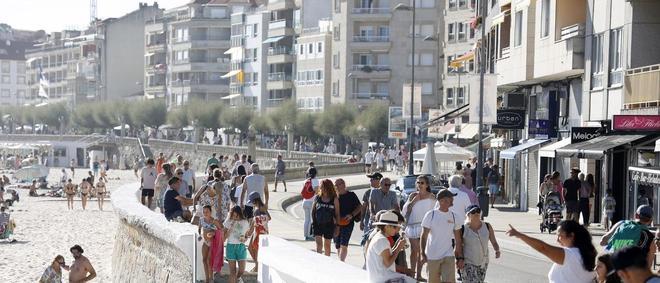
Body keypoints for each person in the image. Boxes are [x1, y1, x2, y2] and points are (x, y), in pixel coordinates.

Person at [506, 220, 596, 283]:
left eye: (560, 236)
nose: (557, 240)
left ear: (571, 236)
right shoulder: (589, 253)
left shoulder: (570, 255)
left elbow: (543, 248)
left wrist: (520, 235)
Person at [421, 189, 462, 283]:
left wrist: (459, 257)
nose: (452, 200)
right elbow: (424, 236)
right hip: (432, 255)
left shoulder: (455, 216)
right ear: (441, 200)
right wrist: (423, 253)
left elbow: (458, 239)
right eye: (450, 198)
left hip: (448, 254)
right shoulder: (430, 215)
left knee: (449, 281)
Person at [402, 175, 436, 281]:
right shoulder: (412, 195)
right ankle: (412, 273)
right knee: (415, 250)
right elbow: (405, 211)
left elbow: (435, 211)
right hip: (413, 227)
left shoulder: (431, 196)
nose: (420, 185)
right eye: (418, 183)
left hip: (425, 227)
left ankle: (419, 275)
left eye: (422, 183)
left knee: (422, 252)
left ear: (427, 185)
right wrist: (413, 202)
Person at [600, 205, 655, 269]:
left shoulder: (621, 224)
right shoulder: (650, 237)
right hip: (634, 273)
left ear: (636, 215)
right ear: (650, 220)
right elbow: (648, 265)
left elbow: (602, 242)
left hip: (615, 268)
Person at [365, 210, 413, 283]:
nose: (397, 230)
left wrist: (397, 247)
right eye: (395, 227)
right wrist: (398, 248)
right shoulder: (381, 240)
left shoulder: (380, 237)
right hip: (382, 278)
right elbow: (387, 263)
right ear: (387, 227)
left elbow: (386, 257)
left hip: (379, 277)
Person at [460, 205, 501, 283]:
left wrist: (497, 250)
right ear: (468, 215)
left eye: (478, 211)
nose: (476, 213)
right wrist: (459, 259)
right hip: (468, 262)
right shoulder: (463, 229)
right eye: (473, 212)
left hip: (483, 262)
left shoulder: (487, 226)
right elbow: (458, 246)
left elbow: (494, 241)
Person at [333, 178, 361, 262]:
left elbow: (359, 207)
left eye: (339, 184)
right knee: (337, 245)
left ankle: (341, 262)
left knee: (344, 244)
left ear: (344, 185)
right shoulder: (334, 197)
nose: (337, 186)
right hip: (335, 224)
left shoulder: (351, 195)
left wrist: (352, 215)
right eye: (335, 185)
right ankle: (340, 261)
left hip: (348, 223)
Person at [312, 179, 341, 256]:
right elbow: (313, 211)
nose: (321, 189)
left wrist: (337, 227)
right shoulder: (317, 197)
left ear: (328, 187)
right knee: (319, 245)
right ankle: (319, 261)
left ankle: (327, 262)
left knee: (327, 245)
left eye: (322, 187)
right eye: (320, 187)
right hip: (318, 224)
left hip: (329, 225)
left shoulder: (334, 199)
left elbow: (337, 214)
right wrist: (313, 223)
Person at [224, 206, 250, 283]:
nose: (235, 217)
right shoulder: (228, 222)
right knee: (232, 272)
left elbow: (246, 236)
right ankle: (235, 279)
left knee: (242, 270)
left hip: (241, 247)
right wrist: (230, 229)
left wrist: (245, 239)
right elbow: (224, 237)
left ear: (240, 214)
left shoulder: (245, 222)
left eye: (236, 215)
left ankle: (238, 278)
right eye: (233, 216)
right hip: (231, 246)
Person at [247, 192, 270, 273]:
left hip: (258, 232)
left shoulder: (257, 210)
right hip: (264, 231)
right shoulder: (263, 207)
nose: (252, 204)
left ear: (255, 201)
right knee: (253, 248)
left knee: (253, 249)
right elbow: (269, 218)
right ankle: (257, 265)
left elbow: (254, 223)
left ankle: (257, 266)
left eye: (252, 202)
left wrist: (249, 231)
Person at [200, 205, 223, 283]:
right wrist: (200, 235)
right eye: (204, 212)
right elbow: (199, 229)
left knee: (210, 261)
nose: (205, 213)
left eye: (207, 211)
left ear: (211, 212)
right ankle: (207, 279)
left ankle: (211, 279)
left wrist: (213, 233)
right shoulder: (201, 220)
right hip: (205, 242)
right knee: (204, 260)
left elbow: (221, 230)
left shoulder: (214, 221)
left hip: (212, 243)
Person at [361, 172, 383, 244]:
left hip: (382, 219)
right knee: (368, 239)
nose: (370, 181)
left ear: (378, 180)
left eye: (372, 179)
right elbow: (364, 207)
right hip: (369, 219)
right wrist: (362, 221)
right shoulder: (368, 192)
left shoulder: (385, 191)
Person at [302, 167, 319, 241]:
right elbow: (317, 192)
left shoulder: (306, 181)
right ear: (316, 173)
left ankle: (305, 235)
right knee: (311, 220)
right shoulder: (315, 181)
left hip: (305, 201)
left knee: (306, 219)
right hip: (311, 202)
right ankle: (309, 235)